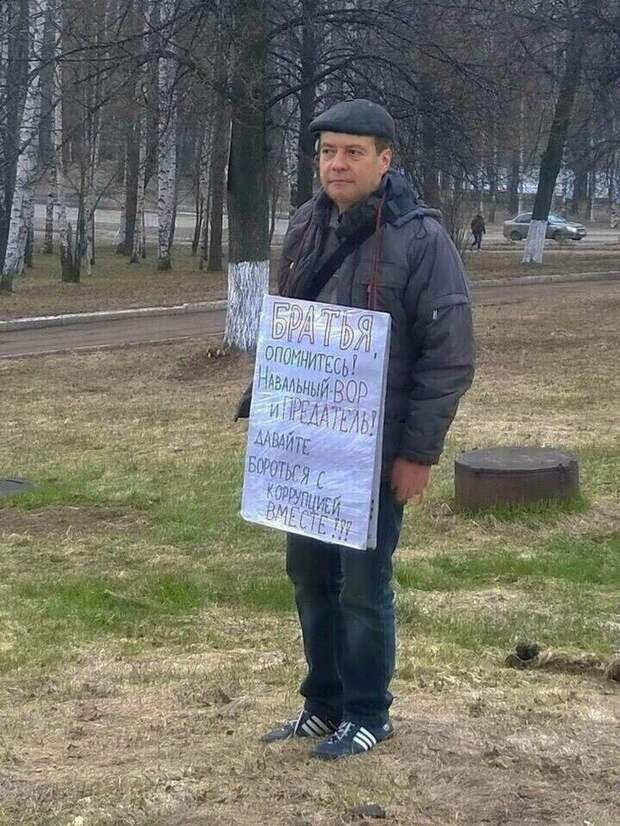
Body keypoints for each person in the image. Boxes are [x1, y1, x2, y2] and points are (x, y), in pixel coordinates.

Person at [237, 99, 474, 759]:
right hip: (308, 449)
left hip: (376, 453)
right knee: (309, 577)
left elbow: (450, 358)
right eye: (327, 152)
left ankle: (369, 712)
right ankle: (323, 704)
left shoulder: (423, 241)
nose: (336, 164)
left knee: (364, 588)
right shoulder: (305, 225)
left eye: (353, 152)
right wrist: (273, 415)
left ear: (384, 160)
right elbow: (289, 329)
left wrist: (418, 454)